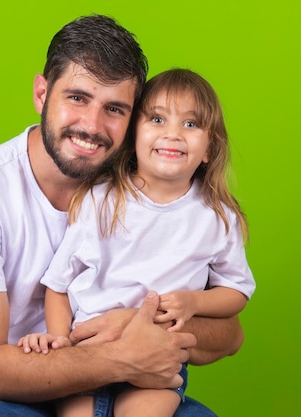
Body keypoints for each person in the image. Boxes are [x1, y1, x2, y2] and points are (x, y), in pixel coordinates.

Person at [0, 14, 243, 417]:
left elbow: (228, 334)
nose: (92, 126)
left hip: (134, 389)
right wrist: (121, 353)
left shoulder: (151, 190)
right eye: (77, 98)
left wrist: (134, 323)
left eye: (114, 108)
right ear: (42, 94)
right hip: (1, 401)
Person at [18, 68, 256, 417]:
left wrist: (192, 302)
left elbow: (236, 293)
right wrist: (62, 344)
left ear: (210, 148)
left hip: (157, 358)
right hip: (88, 350)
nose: (173, 134)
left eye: (191, 125)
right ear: (133, 136)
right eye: (157, 119)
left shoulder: (216, 217)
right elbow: (57, 286)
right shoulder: (99, 201)